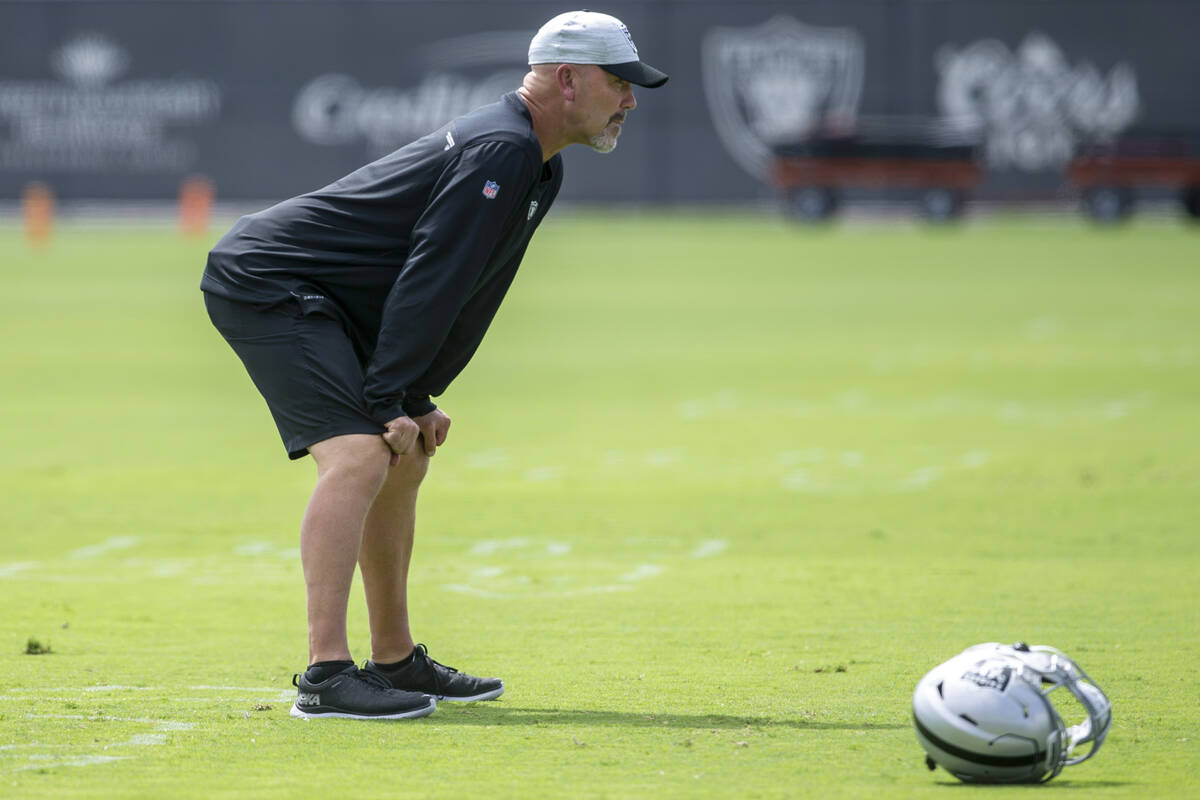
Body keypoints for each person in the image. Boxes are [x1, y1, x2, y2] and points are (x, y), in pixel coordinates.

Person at [201, 11, 667, 720]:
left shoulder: (538, 162)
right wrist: (390, 392)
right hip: (269, 281)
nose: (631, 99)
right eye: (619, 83)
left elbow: (470, 291)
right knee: (358, 455)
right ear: (567, 80)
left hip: (329, 298)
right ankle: (325, 676)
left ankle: (392, 660)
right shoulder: (504, 151)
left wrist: (414, 396)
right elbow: (432, 278)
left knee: (407, 452)